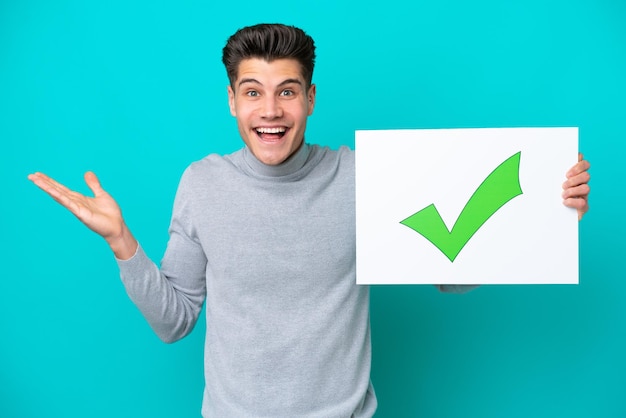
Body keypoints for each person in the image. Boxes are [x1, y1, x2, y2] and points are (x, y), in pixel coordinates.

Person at [28, 23, 591, 418]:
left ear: (311, 98)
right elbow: (175, 321)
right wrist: (123, 243)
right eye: (253, 93)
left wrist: (544, 211)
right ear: (232, 101)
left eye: (286, 92)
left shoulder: (364, 175)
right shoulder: (202, 183)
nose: (270, 111)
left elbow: (452, 271)